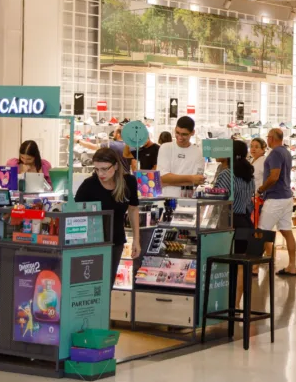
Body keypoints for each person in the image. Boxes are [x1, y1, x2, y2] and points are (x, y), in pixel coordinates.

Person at [74, 147, 140, 288]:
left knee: (107, 286)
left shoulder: (129, 182)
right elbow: (75, 213)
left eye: (104, 169)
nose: (100, 173)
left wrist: (136, 240)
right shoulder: (89, 185)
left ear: (116, 166)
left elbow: (133, 209)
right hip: (91, 244)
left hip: (115, 242)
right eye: (97, 169)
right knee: (90, 286)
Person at [214, 140, 258, 309]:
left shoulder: (226, 174)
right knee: (241, 267)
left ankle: (226, 303)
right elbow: (249, 204)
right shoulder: (248, 176)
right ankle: (236, 304)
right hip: (246, 222)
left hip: (230, 223)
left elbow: (219, 200)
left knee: (228, 265)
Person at [259, 128, 296, 277]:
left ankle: (255, 267)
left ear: (272, 138)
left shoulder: (275, 153)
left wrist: (261, 189)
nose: (267, 139)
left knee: (261, 232)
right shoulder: (286, 152)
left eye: (268, 137)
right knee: (286, 231)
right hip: (287, 197)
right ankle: (292, 266)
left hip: (275, 198)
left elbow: (274, 176)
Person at [156, 117, 205, 198]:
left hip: (187, 201)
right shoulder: (165, 147)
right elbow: (162, 177)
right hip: (164, 199)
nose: (180, 137)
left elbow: (197, 181)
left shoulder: (198, 153)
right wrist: (191, 178)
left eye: (184, 134)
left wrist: (168, 182)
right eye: (177, 132)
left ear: (192, 132)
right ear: (175, 129)